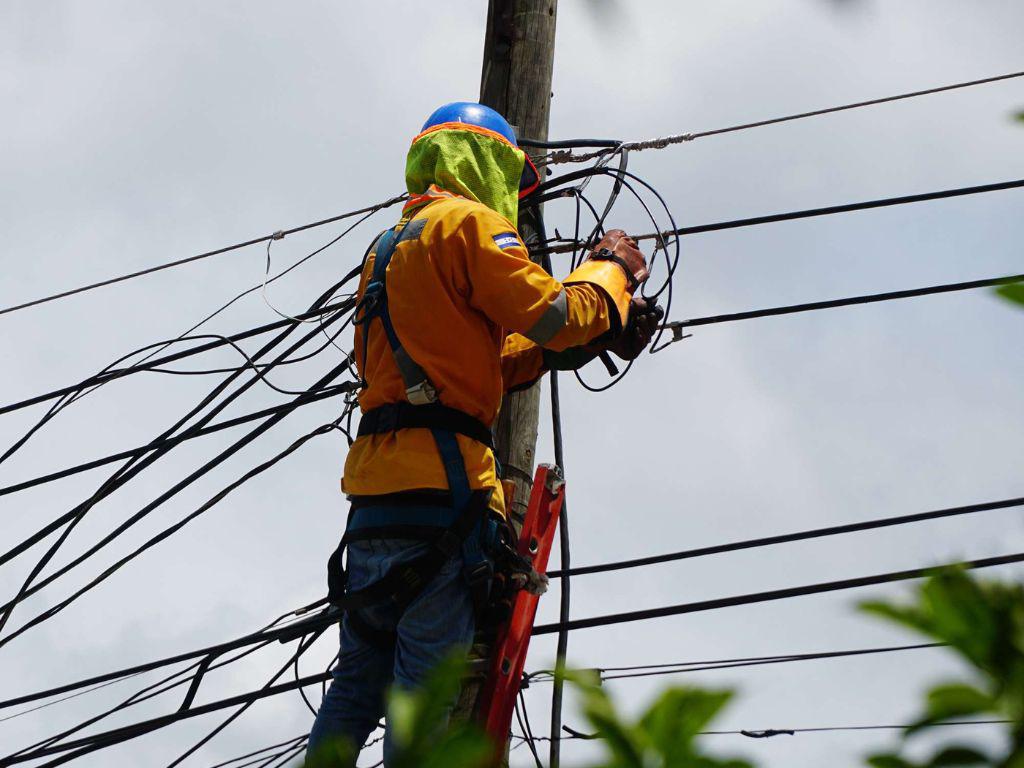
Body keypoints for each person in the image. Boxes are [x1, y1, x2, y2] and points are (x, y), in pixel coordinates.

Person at [306, 102, 662, 765]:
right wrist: (610, 271)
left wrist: (570, 348)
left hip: (375, 507)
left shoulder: (388, 247)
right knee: (423, 699)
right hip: (444, 500)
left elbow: (471, 364)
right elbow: (556, 311)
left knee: (357, 683)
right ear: (490, 164)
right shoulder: (470, 225)